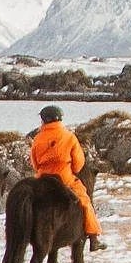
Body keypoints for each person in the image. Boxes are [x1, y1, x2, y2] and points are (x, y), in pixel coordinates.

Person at [30, 104, 101, 246]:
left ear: (44, 120)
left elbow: (34, 162)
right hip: (65, 179)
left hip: (43, 179)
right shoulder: (69, 136)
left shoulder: (37, 138)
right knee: (85, 201)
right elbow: (79, 163)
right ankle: (93, 237)